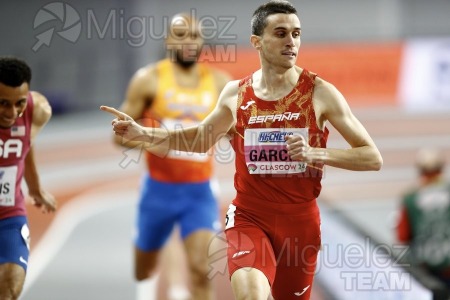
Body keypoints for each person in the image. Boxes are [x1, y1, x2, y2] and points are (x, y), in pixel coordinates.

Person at [101, 1, 383, 299]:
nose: (291, 41)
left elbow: (371, 157)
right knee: (251, 295)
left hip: (300, 222)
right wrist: (145, 133)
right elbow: (200, 138)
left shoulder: (319, 93)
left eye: (296, 34)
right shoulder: (236, 93)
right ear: (257, 42)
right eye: (281, 33)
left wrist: (315, 154)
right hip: (250, 216)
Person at [111, 13, 231, 300]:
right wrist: (152, 141)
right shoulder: (149, 80)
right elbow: (118, 136)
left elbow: (234, 130)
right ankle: (146, 242)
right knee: (143, 271)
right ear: (168, 40)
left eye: (195, 36)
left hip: (199, 192)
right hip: (157, 192)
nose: (189, 42)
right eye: (181, 35)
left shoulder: (218, 83)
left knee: (201, 270)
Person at [0, 56, 56, 300]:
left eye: (19, 103)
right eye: (2, 103)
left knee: (11, 286)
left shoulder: (38, 110)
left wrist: (35, 188)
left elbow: (27, 144)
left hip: (9, 215)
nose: (11, 112)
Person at [396, 148, 450, 286]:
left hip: (425, 267)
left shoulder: (410, 198)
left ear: (420, 171)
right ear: (441, 168)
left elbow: (402, 236)